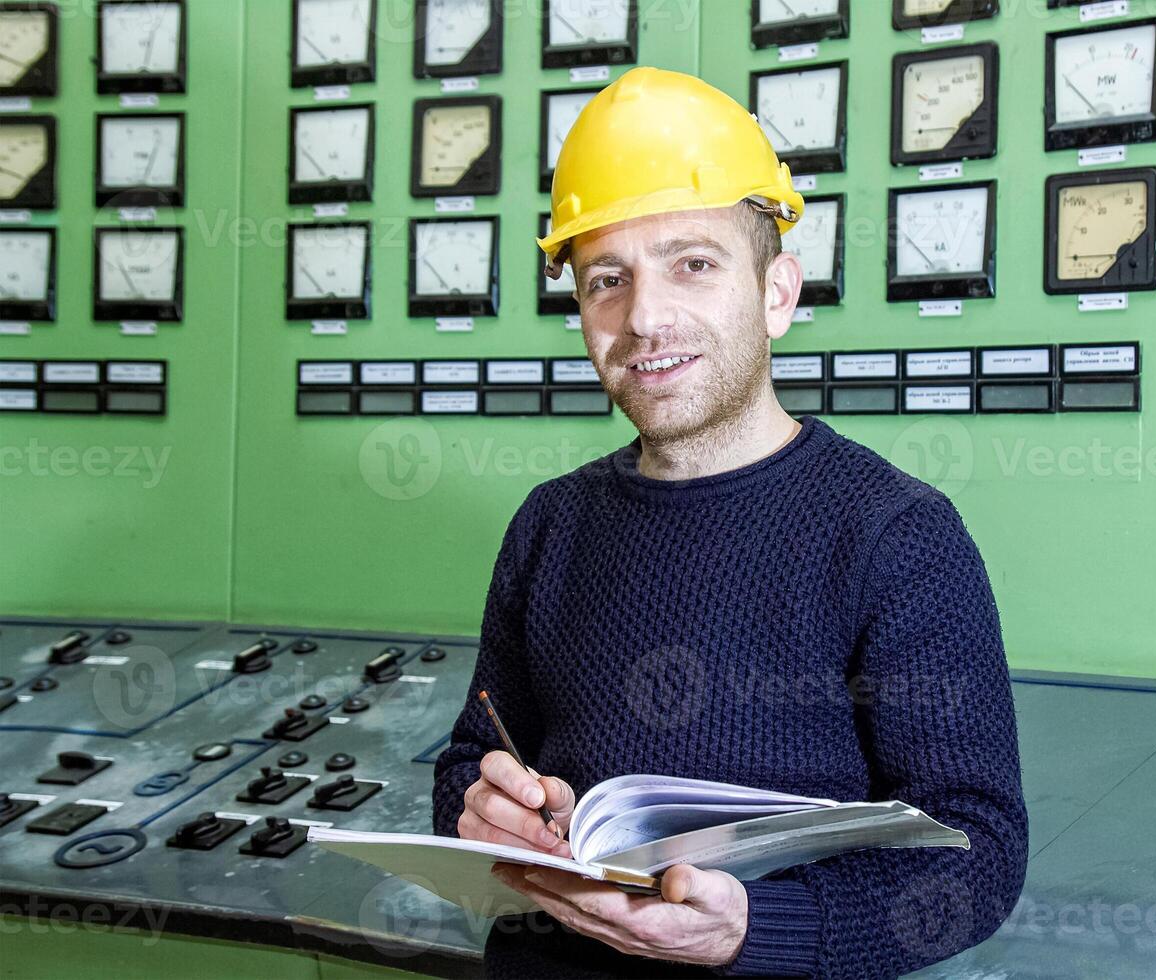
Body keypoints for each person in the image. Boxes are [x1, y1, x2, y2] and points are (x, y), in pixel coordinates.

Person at [432, 66, 1027, 979]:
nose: (645, 318)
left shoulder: (896, 536)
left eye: (693, 264)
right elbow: (473, 758)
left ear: (776, 293)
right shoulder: (550, 524)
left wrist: (753, 928)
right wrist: (486, 810)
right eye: (606, 281)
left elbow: (976, 857)